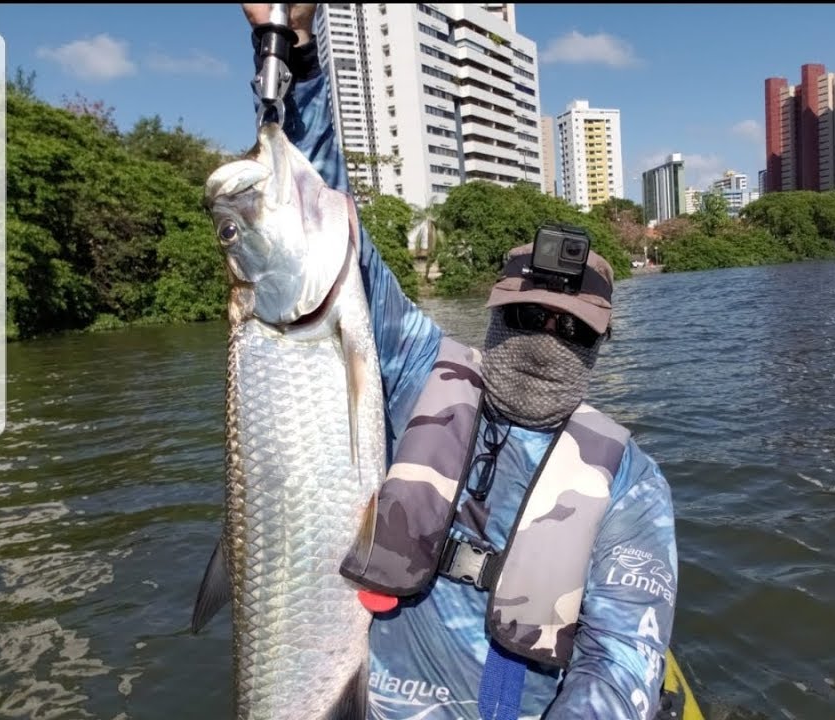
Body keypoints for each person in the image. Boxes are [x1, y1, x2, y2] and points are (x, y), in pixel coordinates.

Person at [241, 5, 680, 719]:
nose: (544, 338)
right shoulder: (418, 371)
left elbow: (619, 661)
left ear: (599, 344)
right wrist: (296, 53)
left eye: (570, 329)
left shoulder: (631, 484)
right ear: (494, 314)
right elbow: (322, 233)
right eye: (527, 316)